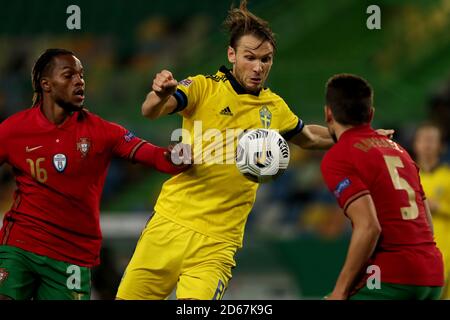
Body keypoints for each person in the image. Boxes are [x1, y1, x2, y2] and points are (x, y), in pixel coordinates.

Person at [116, 1, 392, 300]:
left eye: (266, 59)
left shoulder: (275, 107)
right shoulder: (202, 88)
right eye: (250, 57)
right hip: (169, 224)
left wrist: (353, 135)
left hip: (219, 242)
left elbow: (309, 136)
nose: (259, 67)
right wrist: (159, 94)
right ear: (232, 55)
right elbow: (150, 111)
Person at [0, 48, 189, 300]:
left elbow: (152, 155)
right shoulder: (14, 129)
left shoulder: (102, 132)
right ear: (46, 84)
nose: (79, 81)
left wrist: (174, 156)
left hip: (72, 255)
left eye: (81, 75)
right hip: (20, 245)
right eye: (69, 75)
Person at [320, 73, 444, 300]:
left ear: (328, 113)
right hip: (433, 275)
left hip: (392, 277)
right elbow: (427, 224)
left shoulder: (338, 157)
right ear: (371, 114)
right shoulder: (401, 151)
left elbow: (369, 227)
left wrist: (340, 291)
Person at [413, 123, 450, 299]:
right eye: (423, 139)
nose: (427, 144)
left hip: (445, 248)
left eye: (432, 140)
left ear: (441, 146)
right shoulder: (407, 176)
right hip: (415, 249)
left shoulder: (447, 176)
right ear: (415, 144)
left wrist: (440, 208)